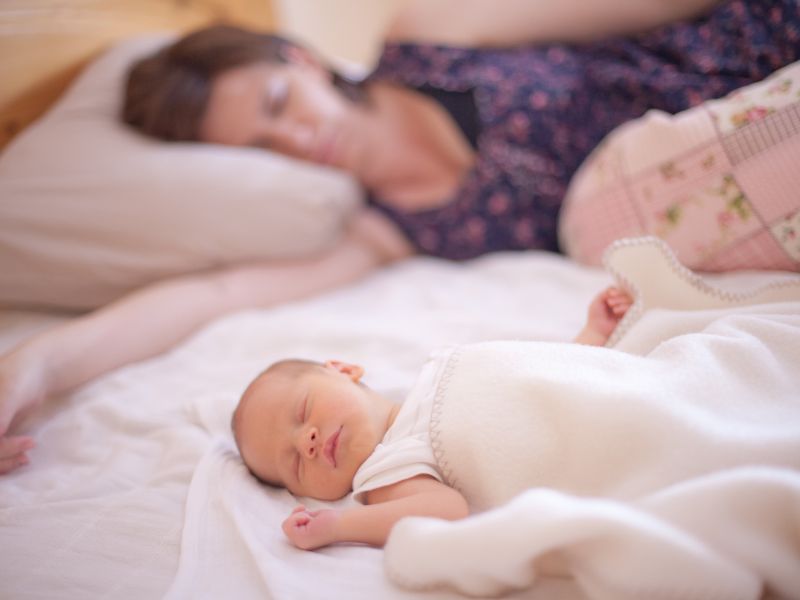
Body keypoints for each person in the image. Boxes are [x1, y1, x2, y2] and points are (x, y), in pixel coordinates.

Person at [1, 0, 798, 474]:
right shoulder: (383, 231)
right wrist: (38, 361)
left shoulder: (428, 30)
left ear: (304, 60)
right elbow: (211, 295)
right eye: (257, 150)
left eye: (279, 103)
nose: (295, 141)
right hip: (712, 184)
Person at [232, 286, 633, 550]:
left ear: (343, 369)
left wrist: (591, 336)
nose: (308, 442)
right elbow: (446, 509)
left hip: (585, 395)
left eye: (303, 413)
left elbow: (536, 376)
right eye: (296, 463)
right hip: (589, 445)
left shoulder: (431, 380)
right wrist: (337, 528)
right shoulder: (386, 471)